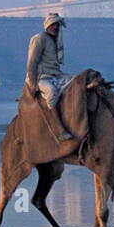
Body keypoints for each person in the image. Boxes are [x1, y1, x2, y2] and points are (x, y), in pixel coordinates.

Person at [25, 13, 75, 141]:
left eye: (57, 25)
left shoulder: (55, 40)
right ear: (47, 26)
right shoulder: (39, 38)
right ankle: (60, 129)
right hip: (41, 77)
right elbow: (32, 62)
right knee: (52, 92)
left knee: (76, 81)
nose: (56, 27)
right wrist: (32, 85)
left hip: (56, 74)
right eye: (53, 24)